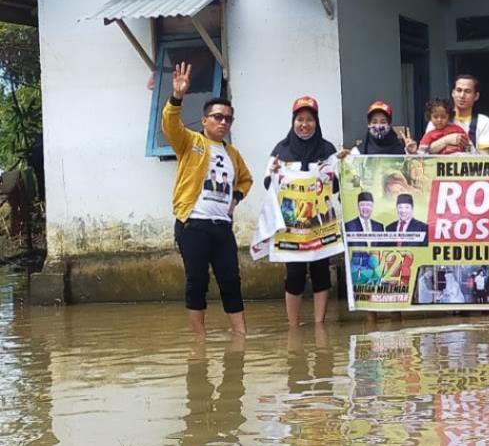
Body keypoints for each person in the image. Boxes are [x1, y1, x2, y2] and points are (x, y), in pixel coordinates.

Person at [162, 62, 253, 339]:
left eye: (228, 118)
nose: (223, 122)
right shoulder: (190, 142)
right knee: (197, 281)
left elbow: (246, 179)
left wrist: (236, 198)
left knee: (230, 281)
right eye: (217, 117)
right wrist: (177, 96)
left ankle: (240, 335)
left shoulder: (233, 154)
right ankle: (199, 340)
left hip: (222, 226)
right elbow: (170, 125)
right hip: (194, 224)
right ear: (204, 121)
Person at [266, 95, 339, 327]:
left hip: (320, 224)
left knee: (321, 272)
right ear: (293, 121)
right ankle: (293, 326)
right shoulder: (281, 150)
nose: (304, 124)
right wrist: (274, 173)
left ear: (316, 122)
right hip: (292, 227)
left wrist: (333, 173)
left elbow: (336, 187)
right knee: (295, 274)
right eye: (300, 119)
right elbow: (269, 185)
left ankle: (319, 325)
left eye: (309, 119)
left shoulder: (328, 149)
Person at [424, 75, 489, 153]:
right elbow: (425, 152)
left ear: (476, 96)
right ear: (453, 93)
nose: (462, 96)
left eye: (467, 91)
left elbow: (484, 158)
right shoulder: (438, 120)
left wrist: (466, 146)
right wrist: (447, 140)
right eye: (459, 90)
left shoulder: (484, 122)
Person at [343, 101, 417, 156]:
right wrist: (344, 160)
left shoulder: (401, 152)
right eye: (374, 122)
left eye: (383, 121)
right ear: (369, 124)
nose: (378, 126)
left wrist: (412, 153)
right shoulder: (357, 152)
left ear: (389, 124)